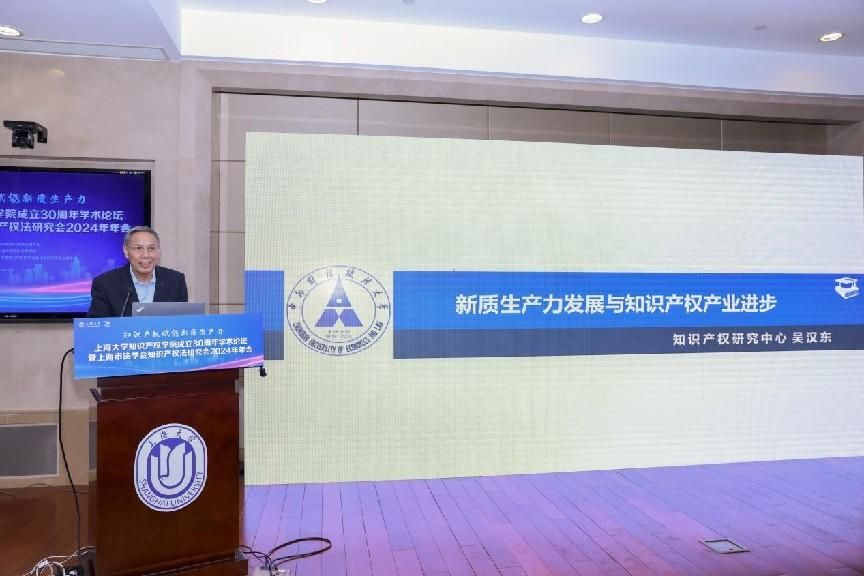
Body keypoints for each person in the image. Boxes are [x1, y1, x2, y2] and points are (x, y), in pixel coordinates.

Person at [87, 226, 188, 317]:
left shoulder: (175, 281)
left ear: (159, 251)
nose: (145, 255)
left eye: (151, 248)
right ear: (126, 251)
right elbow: (97, 327)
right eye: (138, 248)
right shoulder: (105, 284)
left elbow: (183, 322)